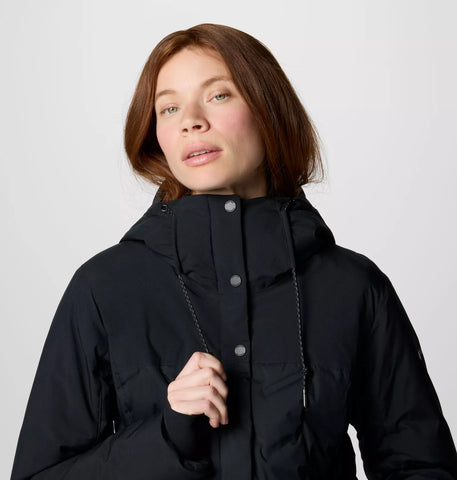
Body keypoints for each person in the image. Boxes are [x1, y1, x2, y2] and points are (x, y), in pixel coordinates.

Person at [10, 23, 457, 480]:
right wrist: (166, 438)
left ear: (269, 109)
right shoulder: (104, 288)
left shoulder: (354, 287)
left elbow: (422, 467)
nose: (190, 120)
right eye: (169, 108)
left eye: (218, 95)